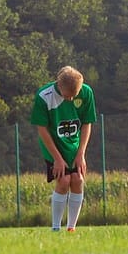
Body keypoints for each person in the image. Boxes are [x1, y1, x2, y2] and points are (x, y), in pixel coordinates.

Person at [30, 66, 96, 232]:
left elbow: (87, 123)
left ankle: (71, 228)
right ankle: (56, 228)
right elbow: (42, 129)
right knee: (64, 181)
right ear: (59, 85)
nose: (72, 98)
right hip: (53, 145)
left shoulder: (86, 92)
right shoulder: (44, 96)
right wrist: (57, 159)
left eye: (75, 94)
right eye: (69, 95)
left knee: (78, 180)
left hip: (74, 146)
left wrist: (81, 153)